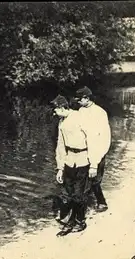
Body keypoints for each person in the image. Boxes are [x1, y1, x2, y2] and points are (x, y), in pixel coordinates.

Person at [52, 94, 91, 237]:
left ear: (62, 107)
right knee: (67, 193)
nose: (54, 113)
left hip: (83, 159)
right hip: (69, 160)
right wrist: (60, 168)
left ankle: (79, 222)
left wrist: (93, 164)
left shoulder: (80, 118)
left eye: (55, 109)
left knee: (78, 194)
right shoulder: (61, 122)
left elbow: (92, 139)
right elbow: (60, 146)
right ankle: (71, 220)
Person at [75, 86, 111, 212]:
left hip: (98, 149)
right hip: (85, 150)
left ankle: (101, 202)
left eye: (79, 99)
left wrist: (95, 161)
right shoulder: (81, 111)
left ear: (87, 98)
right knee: (85, 179)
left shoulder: (100, 113)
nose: (78, 101)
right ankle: (82, 206)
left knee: (95, 179)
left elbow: (103, 137)